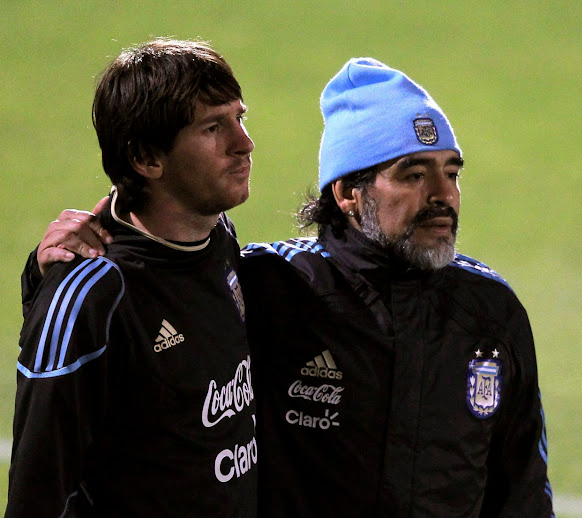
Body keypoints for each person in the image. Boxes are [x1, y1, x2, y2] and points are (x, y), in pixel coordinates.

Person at [28, 58, 554, 517]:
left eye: (452, 172)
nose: (443, 196)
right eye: (414, 175)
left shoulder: (490, 312)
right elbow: (159, 271)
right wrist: (59, 269)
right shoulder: (270, 286)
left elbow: (524, 490)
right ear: (349, 193)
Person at [7, 39, 258, 517]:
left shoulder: (217, 236)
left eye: (239, 118)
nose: (244, 143)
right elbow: (36, 498)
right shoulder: (90, 297)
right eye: (213, 127)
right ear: (147, 159)